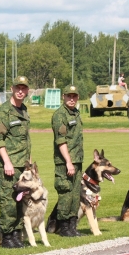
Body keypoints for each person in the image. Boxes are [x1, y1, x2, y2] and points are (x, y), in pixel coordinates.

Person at [0, 76, 31, 248]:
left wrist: (28, 162)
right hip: (8, 166)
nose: (20, 91)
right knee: (8, 201)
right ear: (12, 89)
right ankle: (8, 236)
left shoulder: (24, 110)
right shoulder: (3, 112)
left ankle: (16, 233)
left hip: (22, 165)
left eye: (23, 88)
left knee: (19, 201)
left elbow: (25, 139)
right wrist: (7, 162)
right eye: (18, 88)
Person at [51, 84, 83, 237]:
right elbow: (61, 141)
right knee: (66, 195)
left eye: (74, 96)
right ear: (63, 97)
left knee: (75, 195)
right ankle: (64, 228)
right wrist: (68, 162)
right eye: (69, 96)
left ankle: (72, 227)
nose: (71, 99)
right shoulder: (60, 115)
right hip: (65, 163)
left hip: (77, 161)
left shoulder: (76, 113)